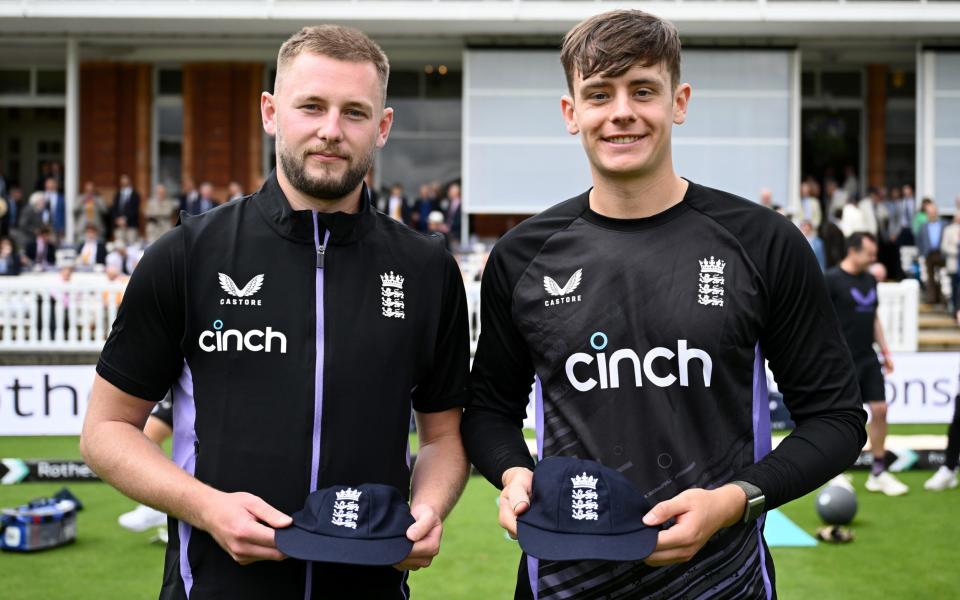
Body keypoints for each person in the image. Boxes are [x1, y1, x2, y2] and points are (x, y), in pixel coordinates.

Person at [461, 11, 866, 599]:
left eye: (642, 90)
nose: (621, 111)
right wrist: (513, 473)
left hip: (721, 580)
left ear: (679, 101)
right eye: (598, 94)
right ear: (572, 114)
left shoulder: (763, 242)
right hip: (566, 579)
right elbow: (489, 411)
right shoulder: (523, 256)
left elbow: (836, 419)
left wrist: (734, 501)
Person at [80, 24, 470, 599]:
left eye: (355, 113)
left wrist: (427, 510)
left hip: (370, 586)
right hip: (213, 586)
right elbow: (106, 430)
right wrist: (207, 508)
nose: (330, 131)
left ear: (382, 127)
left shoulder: (426, 268)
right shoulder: (187, 254)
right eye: (311, 106)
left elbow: (443, 437)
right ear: (271, 112)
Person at [825, 233, 907, 496]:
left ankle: (879, 471)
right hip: (840, 360)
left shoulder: (870, 279)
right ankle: (835, 472)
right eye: (869, 253)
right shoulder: (831, 279)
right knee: (843, 417)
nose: (874, 259)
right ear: (853, 250)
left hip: (868, 357)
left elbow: (874, 318)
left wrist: (885, 351)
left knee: (880, 410)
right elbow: (820, 319)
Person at [917, 201, 946, 305]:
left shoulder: (944, 224)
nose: (932, 214)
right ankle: (931, 299)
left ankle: (943, 299)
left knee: (943, 277)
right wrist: (921, 252)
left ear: (936, 212)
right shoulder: (923, 226)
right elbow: (919, 240)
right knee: (930, 277)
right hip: (928, 253)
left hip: (941, 253)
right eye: (929, 212)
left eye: (933, 212)